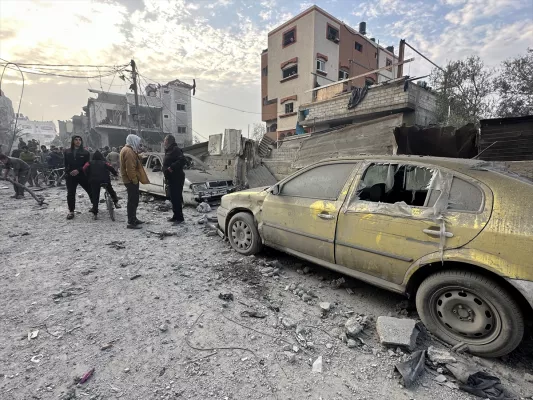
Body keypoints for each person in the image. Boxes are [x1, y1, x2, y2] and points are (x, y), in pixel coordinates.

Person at [120, 134, 149, 229]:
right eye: (138, 142)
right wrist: (134, 180)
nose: (139, 144)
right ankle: (131, 222)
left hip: (129, 180)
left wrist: (140, 156)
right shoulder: (128, 151)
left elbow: (133, 160)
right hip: (131, 181)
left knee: (133, 200)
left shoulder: (128, 150)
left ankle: (134, 218)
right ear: (133, 141)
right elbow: (130, 169)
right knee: (132, 201)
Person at [82, 151, 121, 220]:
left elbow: (84, 169)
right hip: (105, 180)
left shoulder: (89, 163)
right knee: (110, 190)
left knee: (95, 196)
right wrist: (115, 173)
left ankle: (95, 213)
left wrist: (88, 175)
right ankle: (116, 202)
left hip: (94, 181)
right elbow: (111, 168)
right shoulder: (104, 163)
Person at [64, 135, 92, 220]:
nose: (78, 141)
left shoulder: (85, 152)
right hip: (71, 176)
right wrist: (68, 172)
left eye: (79, 140)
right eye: (76, 140)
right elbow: (65, 164)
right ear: (73, 141)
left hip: (82, 174)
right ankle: (71, 211)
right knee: (71, 193)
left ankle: (95, 206)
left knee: (90, 190)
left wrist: (78, 170)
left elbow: (87, 164)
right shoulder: (67, 152)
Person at [163, 135, 187, 225]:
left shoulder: (175, 149)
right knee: (173, 198)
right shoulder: (169, 150)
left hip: (177, 178)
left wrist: (171, 168)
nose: (164, 141)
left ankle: (180, 218)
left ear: (169, 141)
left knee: (176, 198)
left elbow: (182, 160)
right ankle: (175, 216)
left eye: (165, 140)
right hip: (171, 178)